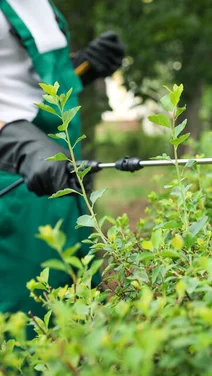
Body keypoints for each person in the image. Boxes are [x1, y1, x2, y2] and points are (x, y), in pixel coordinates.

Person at [0, 0, 125, 321]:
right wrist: (14, 142)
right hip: (10, 187)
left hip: (60, 181)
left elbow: (18, 80)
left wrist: (81, 67)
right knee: (25, 320)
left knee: (76, 308)